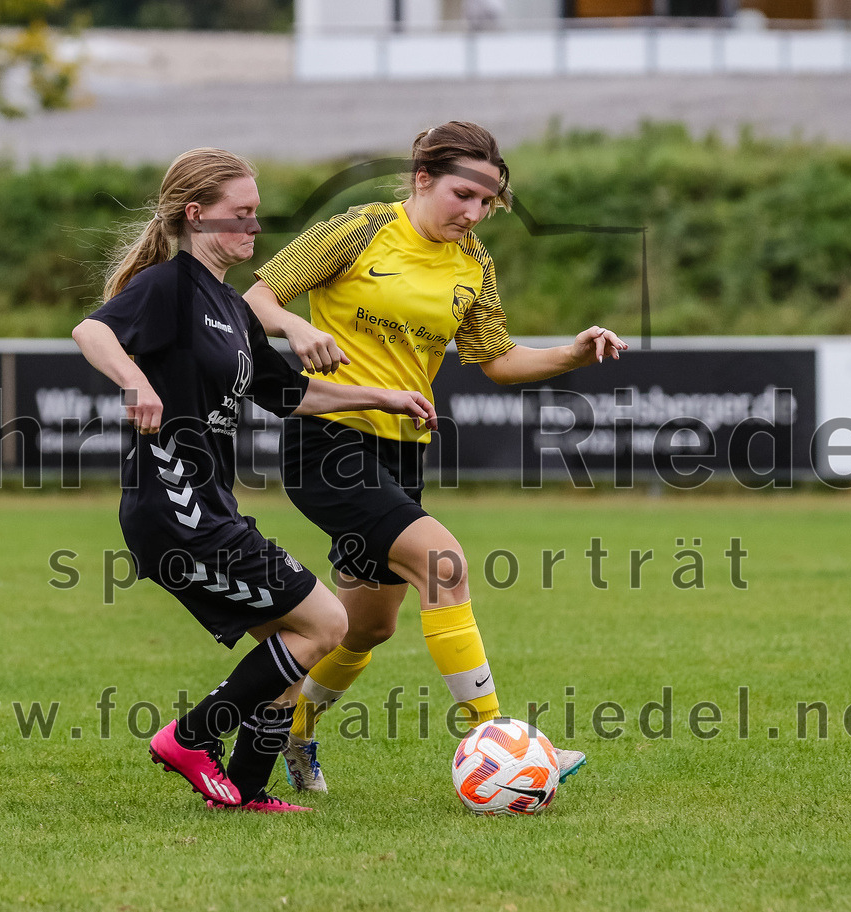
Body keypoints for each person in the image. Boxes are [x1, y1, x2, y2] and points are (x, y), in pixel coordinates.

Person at [244, 121, 627, 793]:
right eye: (464, 196)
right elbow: (258, 297)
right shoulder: (360, 229)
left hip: (403, 452)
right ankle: (502, 737)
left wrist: (572, 352)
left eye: (488, 203)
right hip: (328, 441)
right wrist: (298, 327)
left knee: (365, 629)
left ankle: (294, 731)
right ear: (423, 179)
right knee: (443, 561)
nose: (474, 214)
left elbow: (496, 359)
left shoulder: (473, 263)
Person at [71, 148, 437, 814]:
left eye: (255, 216)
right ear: (196, 215)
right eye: (239, 216)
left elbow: (289, 392)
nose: (252, 230)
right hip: (175, 513)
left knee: (288, 646)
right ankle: (188, 739)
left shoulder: (231, 307)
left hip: (213, 510)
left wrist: (385, 398)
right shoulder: (171, 285)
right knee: (326, 622)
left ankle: (245, 788)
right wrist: (135, 382)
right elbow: (92, 331)